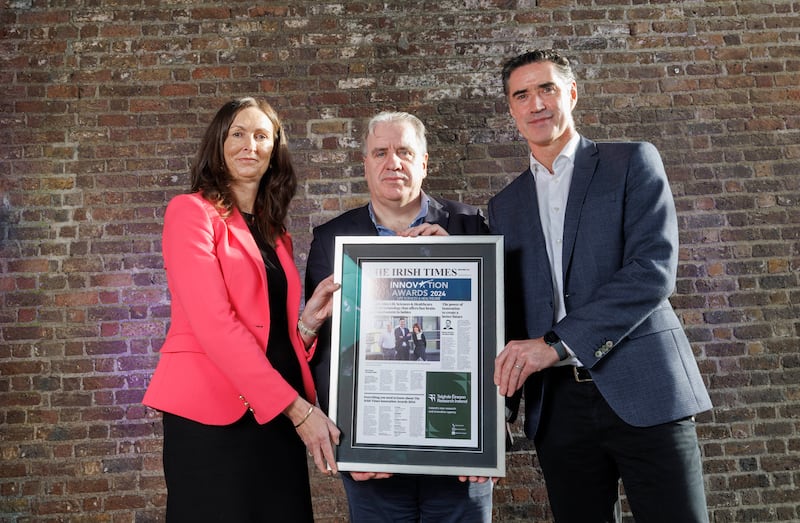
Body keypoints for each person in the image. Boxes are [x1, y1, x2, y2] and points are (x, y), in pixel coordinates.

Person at [490, 49, 713, 522]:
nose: (536, 104)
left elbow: (652, 269)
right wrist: (497, 409)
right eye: (521, 95)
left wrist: (556, 343)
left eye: (547, 88)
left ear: (571, 92)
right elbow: (506, 311)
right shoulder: (504, 205)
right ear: (511, 110)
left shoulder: (630, 162)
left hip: (645, 389)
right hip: (558, 410)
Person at [142, 97, 341, 522]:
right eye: (237, 133)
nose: (249, 144)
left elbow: (268, 332)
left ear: (274, 153)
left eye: (261, 135)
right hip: (212, 418)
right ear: (219, 143)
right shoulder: (190, 212)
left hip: (275, 416)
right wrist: (299, 410)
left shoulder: (276, 234)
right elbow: (214, 324)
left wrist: (307, 325)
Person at [305, 111, 492, 522]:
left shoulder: (470, 226)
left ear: (424, 162)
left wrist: (488, 433)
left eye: (405, 151)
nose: (393, 162)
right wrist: (348, 441)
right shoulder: (330, 240)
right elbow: (324, 352)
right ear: (366, 164)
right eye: (380, 152)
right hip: (373, 457)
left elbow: (500, 332)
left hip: (461, 455)